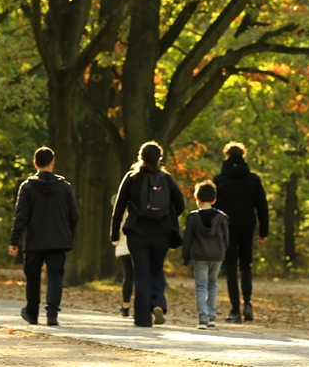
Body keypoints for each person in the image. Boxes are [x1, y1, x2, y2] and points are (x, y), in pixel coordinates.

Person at [110, 141, 185, 327]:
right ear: (159, 159)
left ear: (140, 157)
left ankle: (143, 319)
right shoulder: (166, 179)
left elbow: (119, 207)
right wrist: (167, 216)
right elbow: (181, 203)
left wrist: (114, 234)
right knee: (157, 268)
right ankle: (158, 302)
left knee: (141, 272)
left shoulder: (131, 178)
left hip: (137, 232)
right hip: (162, 232)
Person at [9, 146, 79, 327]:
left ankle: (32, 313)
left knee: (33, 277)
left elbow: (21, 215)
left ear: (35, 163)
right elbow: (74, 216)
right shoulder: (65, 187)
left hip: (34, 241)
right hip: (58, 240)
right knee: (55, 277)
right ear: (53, 162)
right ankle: (52, 313)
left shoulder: (27, 187)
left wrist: (14, 239)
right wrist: (68, 234)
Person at [213, 141, 269, 323]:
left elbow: (215, 207)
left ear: (227, 156)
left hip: (227, 228)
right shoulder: (253, 179)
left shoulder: (219, 180)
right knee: (246, 265)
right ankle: (248, 303)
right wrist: (263, 231)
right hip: (247, 226)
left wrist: (212, 231)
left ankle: (235, 310)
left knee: (230, 267)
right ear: (243, 157)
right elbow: (262, 206)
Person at [182, 180, 230, 329]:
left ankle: (202, 318)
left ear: (197, 199)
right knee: (213, 284)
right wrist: (223, 251)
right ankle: (212, 316)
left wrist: (185, 257)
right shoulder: (222, 217)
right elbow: (226, 239)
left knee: (201, 286)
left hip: (199, 255)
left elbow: (187, 239)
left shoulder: (192, 218)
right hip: (217, 255)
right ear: (214, 200)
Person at [115, 208, 134, 317]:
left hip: (123, 245)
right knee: (141, 276)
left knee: (128, 276)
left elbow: (115, 226)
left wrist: (115, 241)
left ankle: (125, 306)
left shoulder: (120, 208)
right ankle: (141, 306)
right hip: (138, 245)